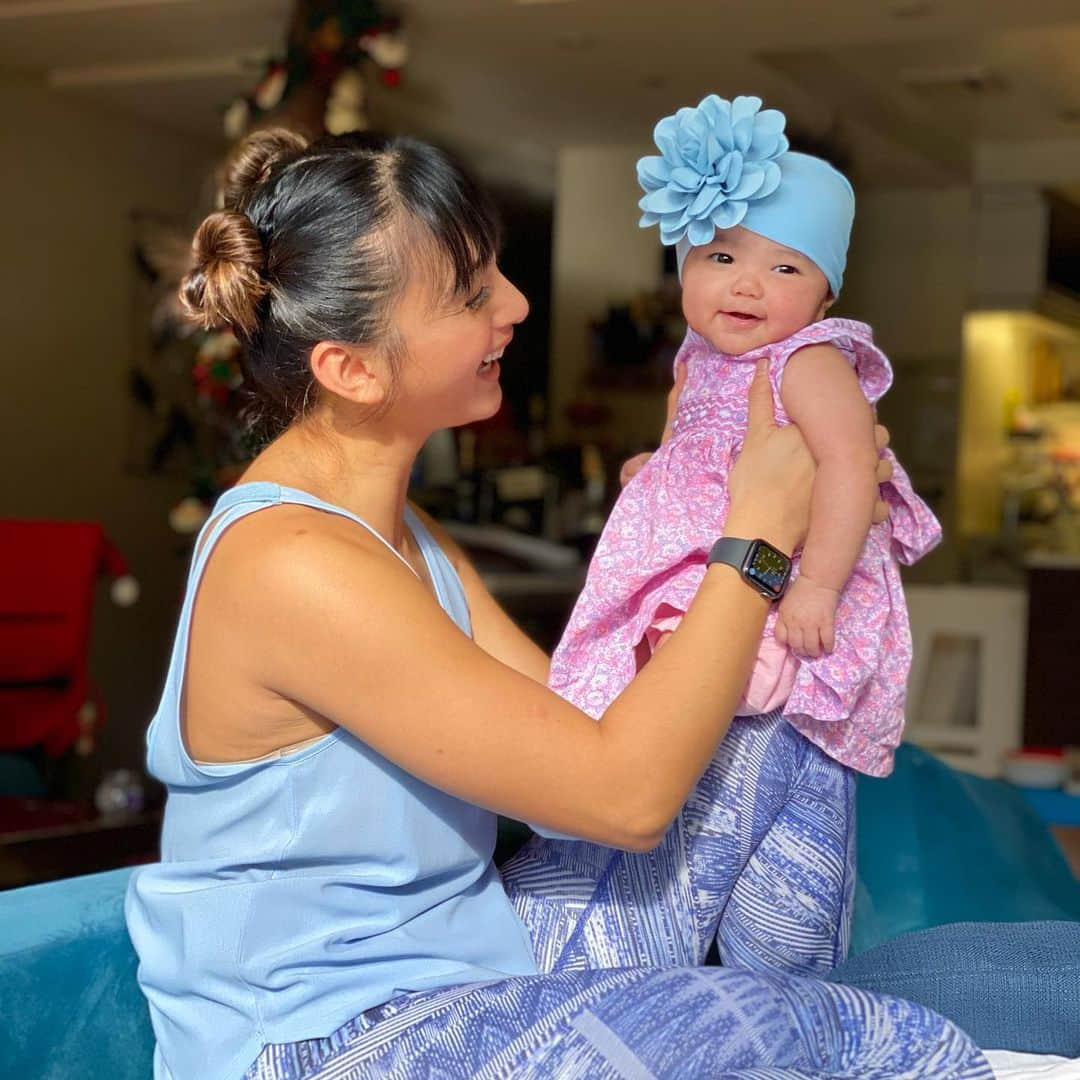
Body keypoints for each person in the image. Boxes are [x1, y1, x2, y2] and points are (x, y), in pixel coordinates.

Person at [124, 128, 989, 1080]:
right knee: (848, 1038)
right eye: (470, 291)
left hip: (474, 967)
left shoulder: (397, 529)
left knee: (774, 744)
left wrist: (704, 519)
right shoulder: (291, 564)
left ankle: (808, 971)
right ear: (352, 369)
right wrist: (754, 540)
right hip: (329, 1038)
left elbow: (581, 730)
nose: (517, 304)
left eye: (496, 267)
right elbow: (621, 799)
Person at [509, 95, 940, 978]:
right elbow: (695, 449)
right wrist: (655, 473)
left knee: (735, 727)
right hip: (714, 560)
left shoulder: (809, 360)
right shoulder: (700, 360)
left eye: (787, 269)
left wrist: (817, 584)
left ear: (826, 292)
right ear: (683, 262)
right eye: (722, 256)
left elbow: (851, 470)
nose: (748, 284)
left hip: (788, 583)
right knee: (652, 701)